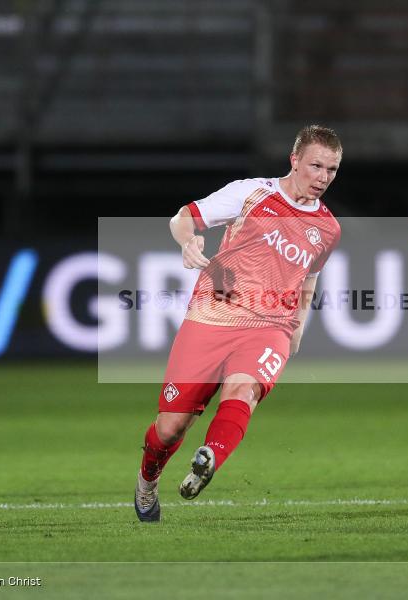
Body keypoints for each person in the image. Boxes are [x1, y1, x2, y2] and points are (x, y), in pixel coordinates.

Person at [134, 125, 343, 522]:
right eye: (316, 166)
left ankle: (210, 455)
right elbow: (184, 218)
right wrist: (188, 240)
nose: (323, 178)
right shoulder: (251, 192)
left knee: (244, 390)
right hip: (211, 316)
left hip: (270, 326)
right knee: (171, 427)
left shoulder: (329, 229)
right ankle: (147, 481)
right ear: (294, 160)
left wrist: (297, 324)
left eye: (332, 170)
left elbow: (310, 277)